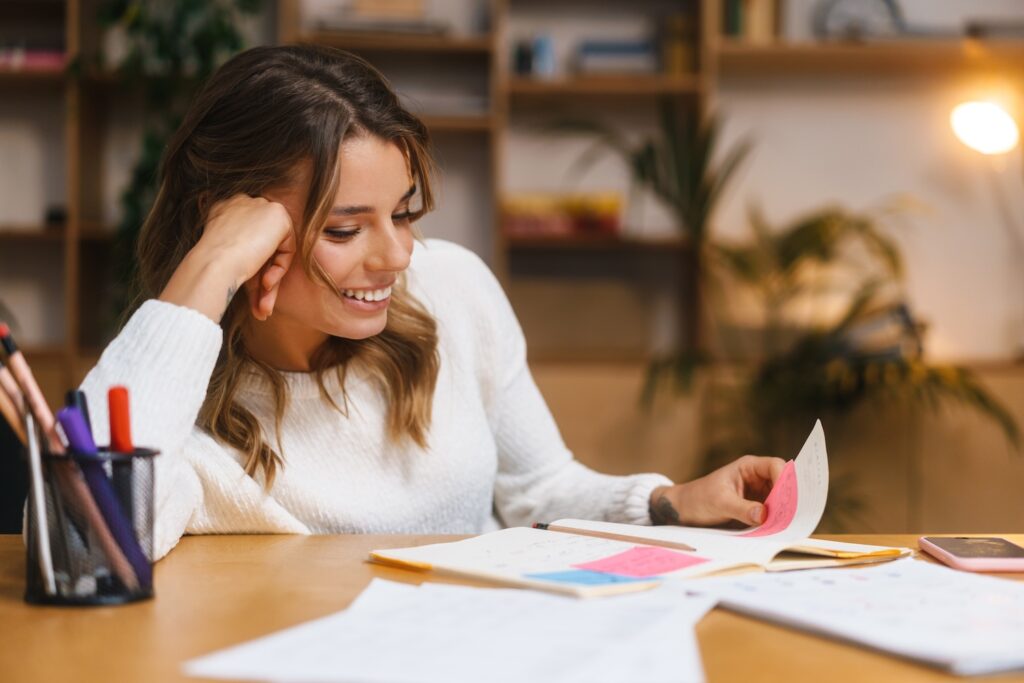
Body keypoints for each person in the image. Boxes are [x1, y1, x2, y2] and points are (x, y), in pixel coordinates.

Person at [80, 45, 785, 560]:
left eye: (404, 211)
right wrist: (211, 266)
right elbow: (87, 544)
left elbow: (537, 490)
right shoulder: (174, 400)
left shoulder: (454, 288)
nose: (397, 255)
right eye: (346, 228)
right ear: (231, 222)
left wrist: (673, 501)